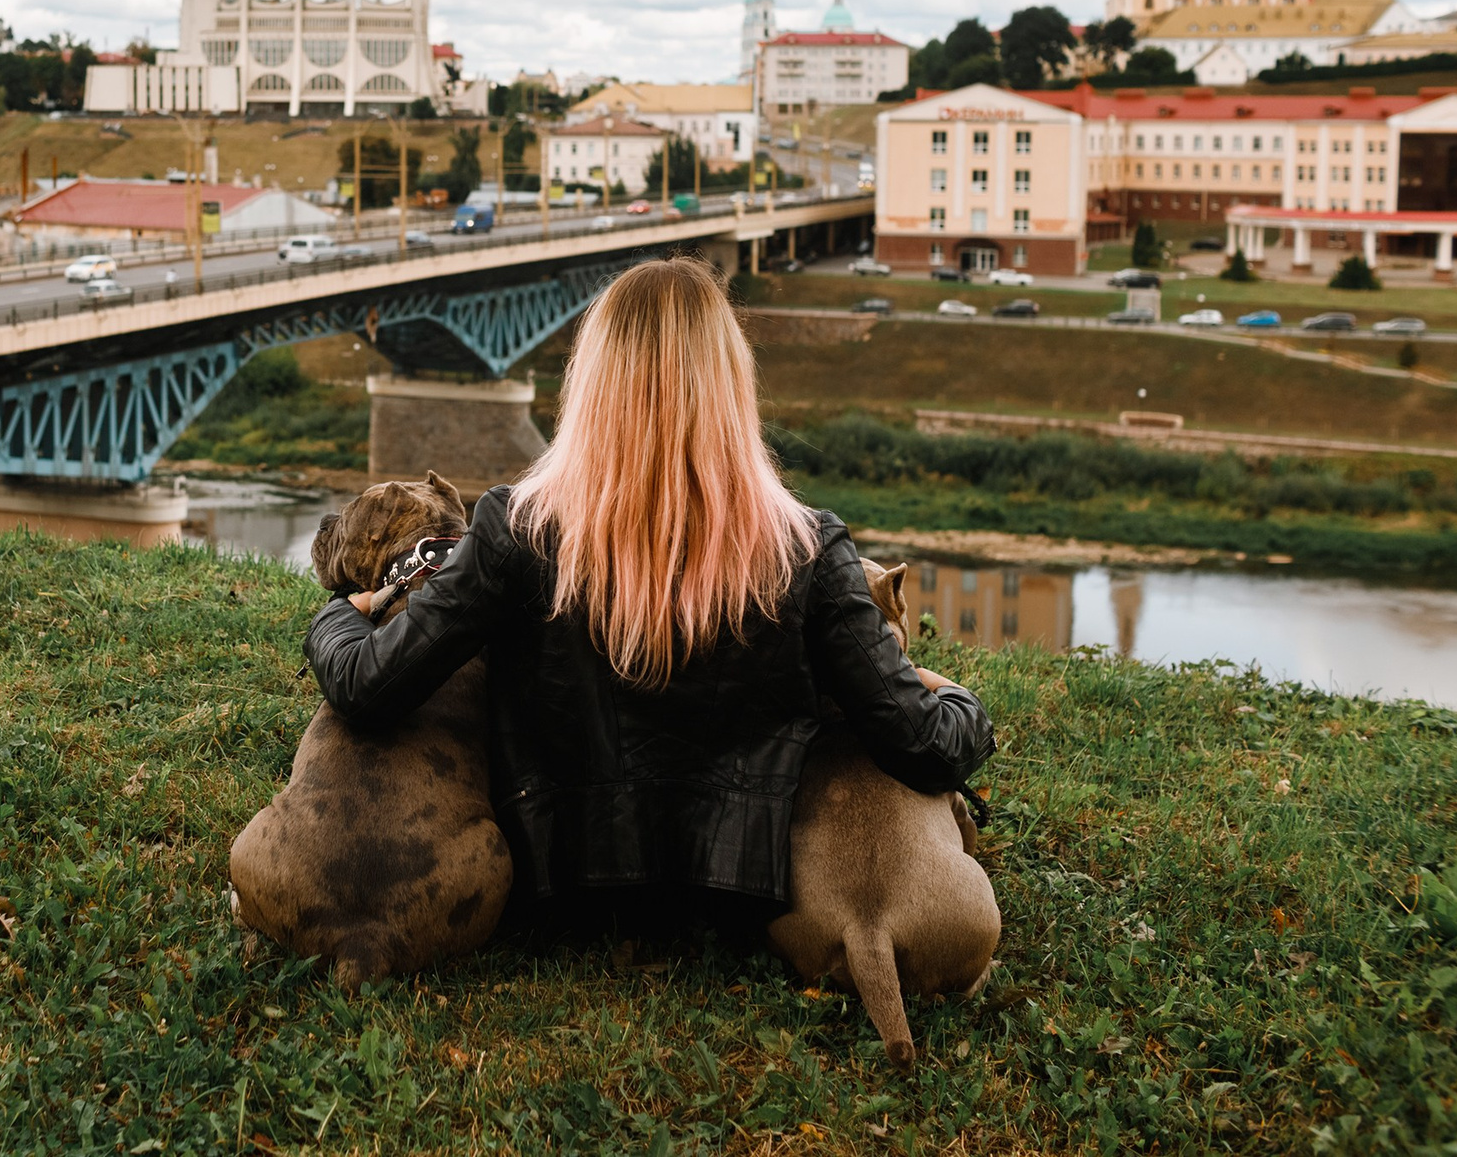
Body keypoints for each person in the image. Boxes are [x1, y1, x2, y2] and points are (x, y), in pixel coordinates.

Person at [305, 256, 992, 931]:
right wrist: (959, 697)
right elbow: (923, 748)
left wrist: (341, 612)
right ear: (732, 387)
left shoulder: (513, 530)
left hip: (555, 890)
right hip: (737, 902)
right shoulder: (809, 549)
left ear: (591, 385)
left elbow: (366, 688)